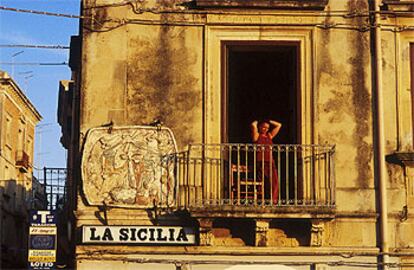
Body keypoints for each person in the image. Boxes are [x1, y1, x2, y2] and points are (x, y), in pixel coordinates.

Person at [251, 119, 282, 204]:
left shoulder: (269, 136)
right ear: (260, 127)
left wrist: (270, 121)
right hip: (261, 161)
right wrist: (256, 124)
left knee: (275, 182)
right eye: (264, 127)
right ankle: (262, 201)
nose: (265, 129)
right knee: (263, 182)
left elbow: (279, 125)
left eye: (267, 128)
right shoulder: (257, 136)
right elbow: (253, 125)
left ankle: (274, 201)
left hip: (270, 162)